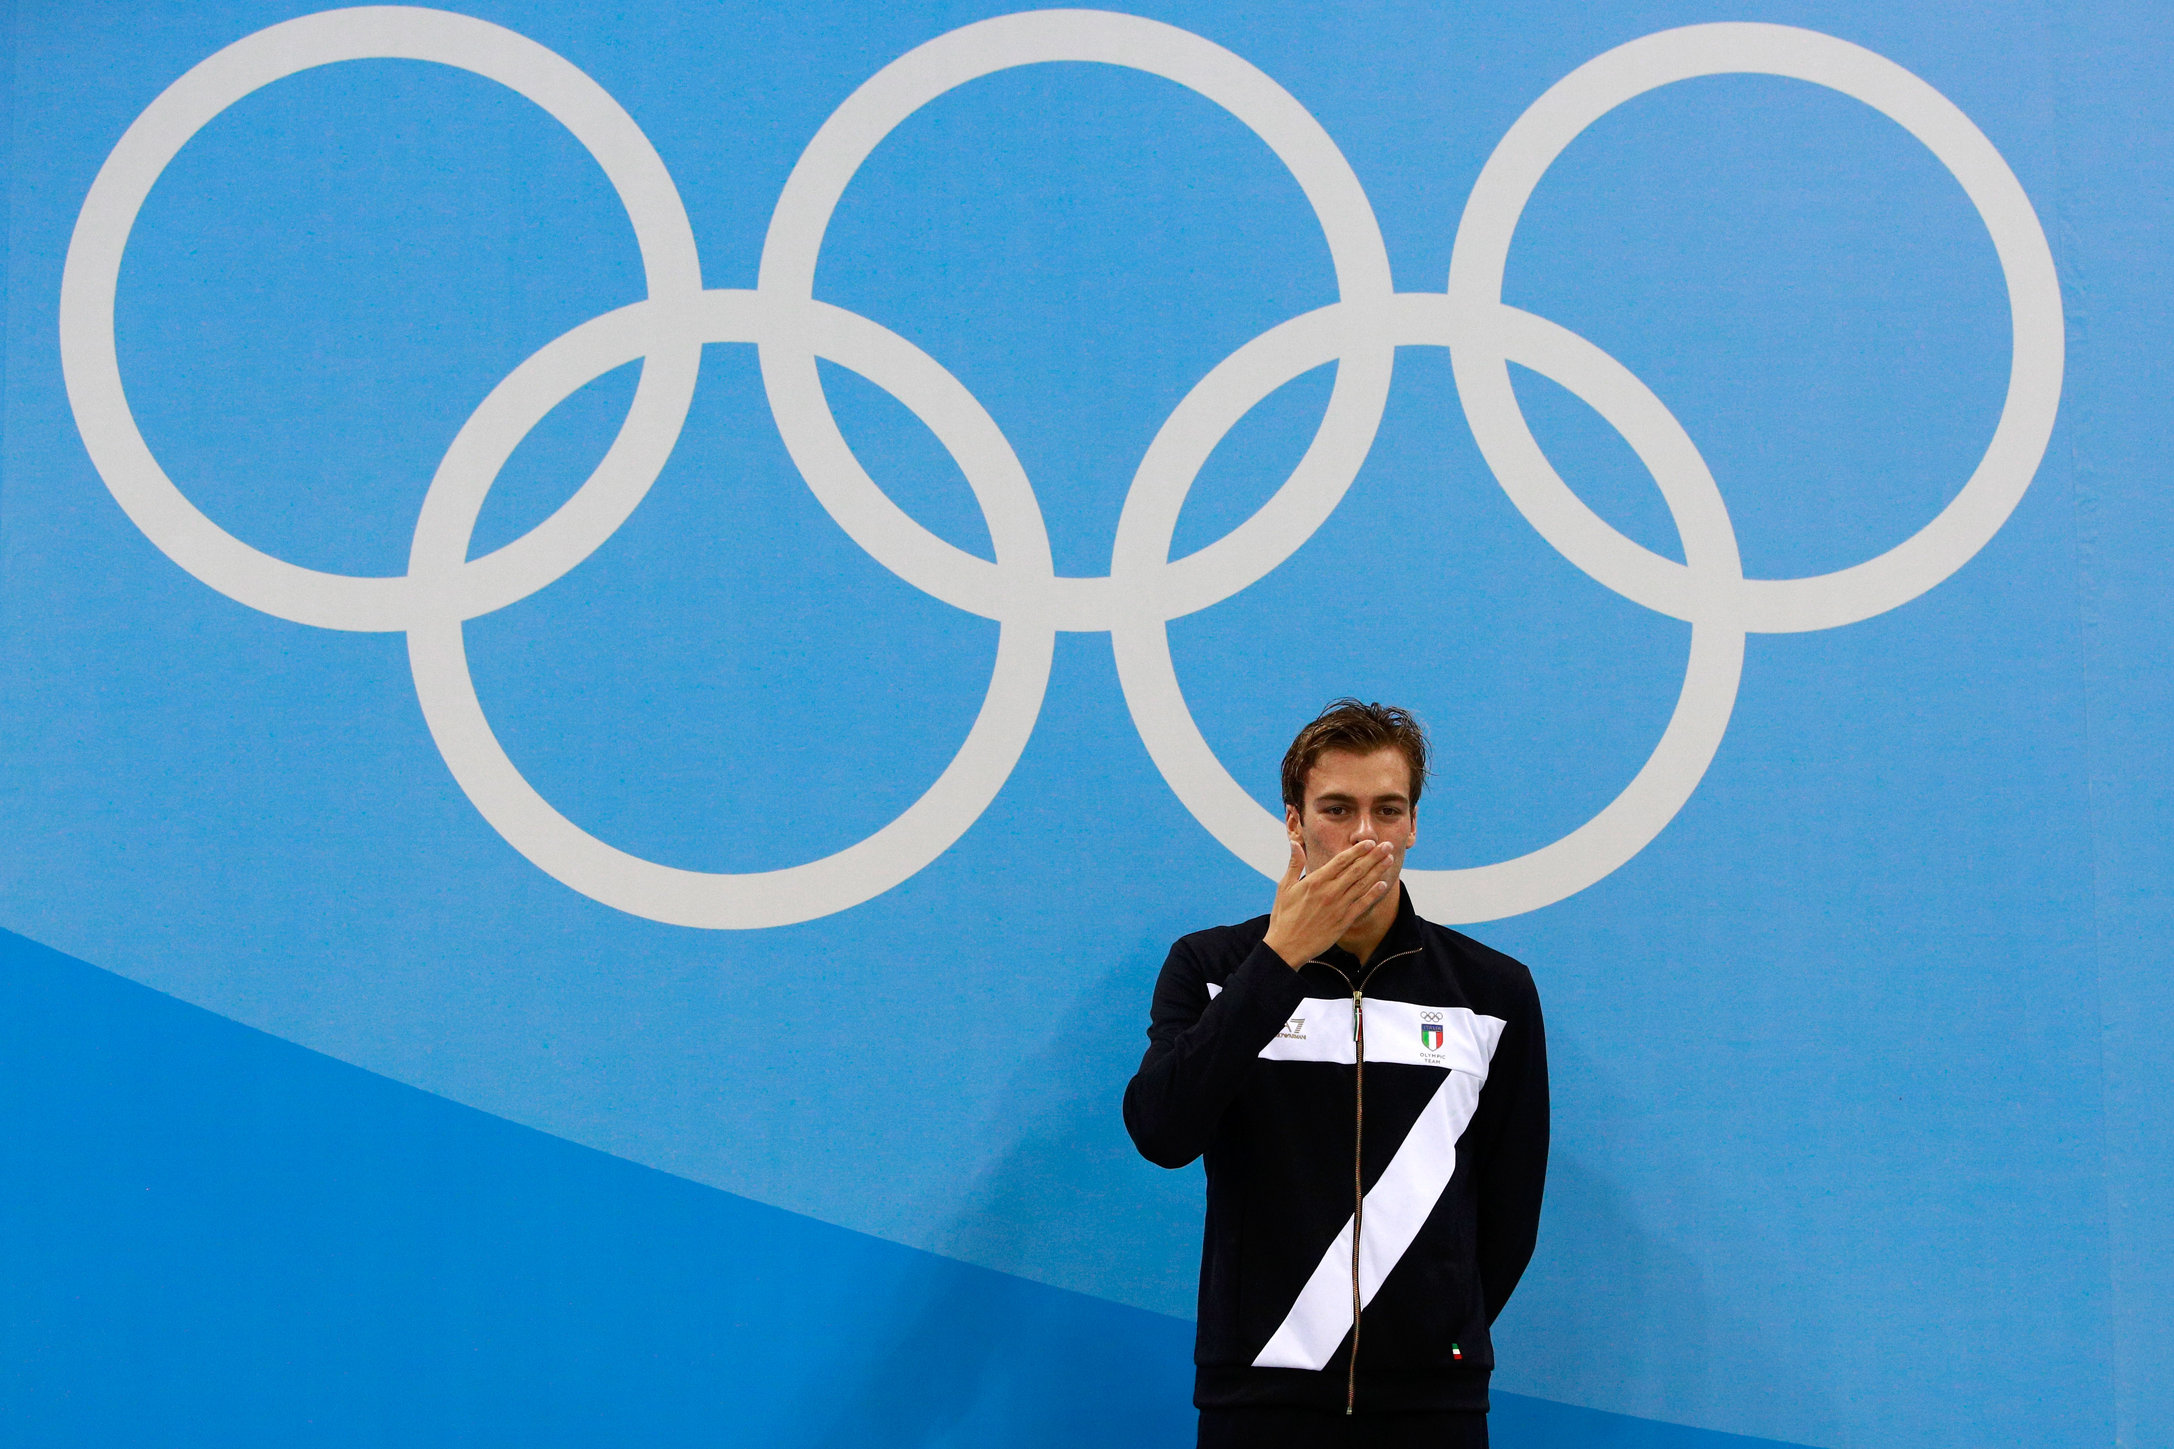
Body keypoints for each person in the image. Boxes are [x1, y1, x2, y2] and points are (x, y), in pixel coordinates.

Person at [1124, 700, 1549, 1449]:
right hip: (1258, 1397)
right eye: (1336, 808)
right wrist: (1278, 962)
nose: (1364, 835)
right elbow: (1162, 1130)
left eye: (1388, 809)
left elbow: (1510, 1208)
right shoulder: (1214, 970)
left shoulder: (1492, 993)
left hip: (1433, 1406)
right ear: (1293, 820)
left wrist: (1439, 1328)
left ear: (1413, 824)